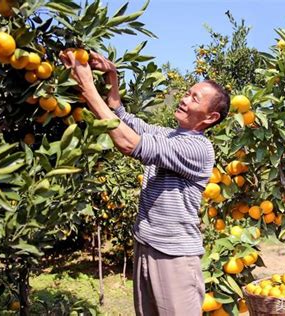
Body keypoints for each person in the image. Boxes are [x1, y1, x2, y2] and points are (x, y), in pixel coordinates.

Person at [61, 50, 230, 316]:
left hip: (174, 256)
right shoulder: (170, 135)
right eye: (187, 93)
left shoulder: (199, 148)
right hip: (146, 244)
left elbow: (129, 143)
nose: (185, 99)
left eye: (194, 98)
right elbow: (122, 117)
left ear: (210, 118)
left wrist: (88, 89)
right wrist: (111, 75)